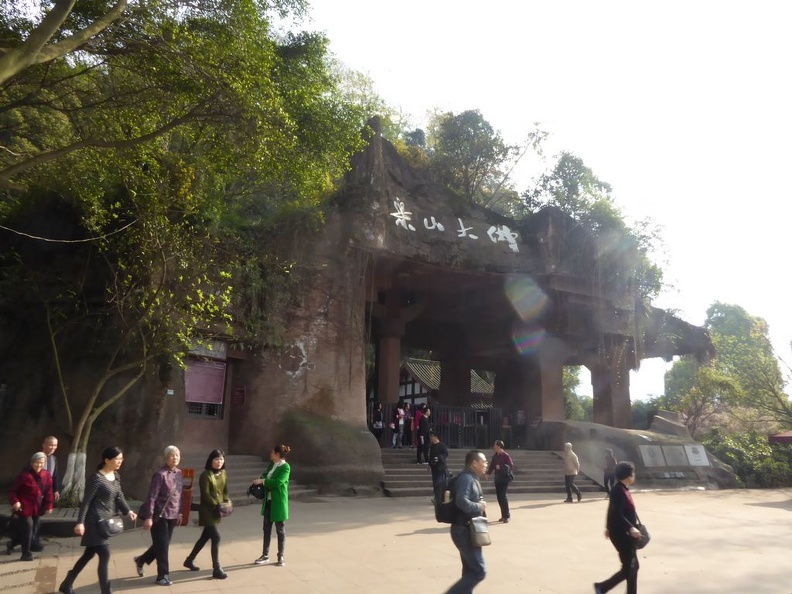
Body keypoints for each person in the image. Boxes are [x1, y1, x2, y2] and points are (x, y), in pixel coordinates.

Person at [58, 447, 137, 594]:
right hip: (94, 522)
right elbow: (86, 501)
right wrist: (80, 522)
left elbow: (119, 496)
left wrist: (129, 511)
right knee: (105, 554)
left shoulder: (115, 476)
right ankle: (105, 591)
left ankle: (67, 583)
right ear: (107, 460)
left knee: (88, 554)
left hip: (106, 521)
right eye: (117, 459)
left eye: (121, 459)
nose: (120, 462)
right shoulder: (96, 479)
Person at [134, 445, 184, 586]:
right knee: (163, 548)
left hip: (173, 515)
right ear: (166, 458)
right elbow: (152, 496)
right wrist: (149, 517)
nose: (175, 458)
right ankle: (162, 576)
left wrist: (180, 512)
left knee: (162, 545)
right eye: (172, 455)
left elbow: (180, 495)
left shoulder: (179, 473)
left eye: (177, 455)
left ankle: (141, 560)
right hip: (159, 516)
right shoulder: (160, 474)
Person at [594, 461, 643, 594]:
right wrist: (630, 528)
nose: (634, 475)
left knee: (632, 567)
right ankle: (602, 587)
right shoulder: (618, 490)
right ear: (628, 475)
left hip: (622, 533)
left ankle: (603, 587)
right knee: (630, 567)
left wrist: (608, 527)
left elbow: (611, 510)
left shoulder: (622, 489)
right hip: (623, 535)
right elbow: (616, 512)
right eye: (633, 473)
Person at [445, 449, 488, 594]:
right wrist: (479, 506)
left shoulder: (471, 477)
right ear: (474, 463)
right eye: (483, 461)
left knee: (469, 570)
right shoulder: (467, 479)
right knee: (479, 571)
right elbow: (461, 501)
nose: (486, 464)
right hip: (464, 531)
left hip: (467, 529)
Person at [184, 449, 229, 579]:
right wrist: (217, 504)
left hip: (217, 510)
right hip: (207, 510)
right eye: (216, 459)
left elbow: (225, 491)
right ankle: (216, 568)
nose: (219, 462)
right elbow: (206, 494)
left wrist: (226, 502)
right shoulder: (205, 475)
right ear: (211, 461)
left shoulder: (224, 473)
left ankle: (189, 560)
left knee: (205, 537)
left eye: (221, 459)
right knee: (216, 537)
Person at [7, 452, 54, 560]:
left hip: (38, 508)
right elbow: (12, 491)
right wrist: (15, 501)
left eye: (41, 463)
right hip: (24, 507)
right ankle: (26, 554)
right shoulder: (24, 476)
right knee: (28, 528)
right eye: (37, 463)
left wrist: (49, 505)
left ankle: (12, 544)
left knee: (32, 529)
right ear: (32, 463)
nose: (39, 465)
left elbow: (49, 491)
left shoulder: (46, 475)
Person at [252, 444, 291, 567]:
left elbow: (278, 482)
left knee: (280, 530)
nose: (270, 454)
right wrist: (261, 478)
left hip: (278, 502)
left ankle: (281, 556)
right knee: (266, 528)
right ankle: (265, 554)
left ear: (277, 454)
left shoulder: (285, 467)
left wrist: (263, 481)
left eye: (272, 452)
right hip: (268, 501)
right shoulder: (272, 465)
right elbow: (265, 474)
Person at [31, 435, 60, 552]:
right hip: (34, 494)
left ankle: (24, 540)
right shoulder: (37, 458)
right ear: (44, 445)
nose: (53, 447)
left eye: (55, 445)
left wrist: (56, 489)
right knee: (35, 518)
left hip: (46, 493)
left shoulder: (54, 459)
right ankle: (33, 542)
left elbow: (55, 476)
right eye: (50, 444)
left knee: (37, 518)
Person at [485, 440, 514, 523]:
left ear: (499, 446)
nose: (494, 446)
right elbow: (492, 465)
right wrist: (488, 473)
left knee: (503, 497)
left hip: (504, 479)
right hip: (497, 479)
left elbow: (511, 466)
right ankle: (503, 516)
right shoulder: (495, 456)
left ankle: (507, 515)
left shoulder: (505, 456)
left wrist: (501, 467)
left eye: (495, 445)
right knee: (499, 497)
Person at [428, 432, 449, 502]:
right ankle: (436, 497)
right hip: (434, 468)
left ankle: (439, 497)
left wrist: (439, 458)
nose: (431, 438)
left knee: (438, 483)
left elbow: (446, 454)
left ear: (436, 437)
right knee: (435, 483)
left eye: (432, 437)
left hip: (440, 468)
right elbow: (430, 456)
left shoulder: (442, 445)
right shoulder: (432, 446)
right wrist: (430, 465)